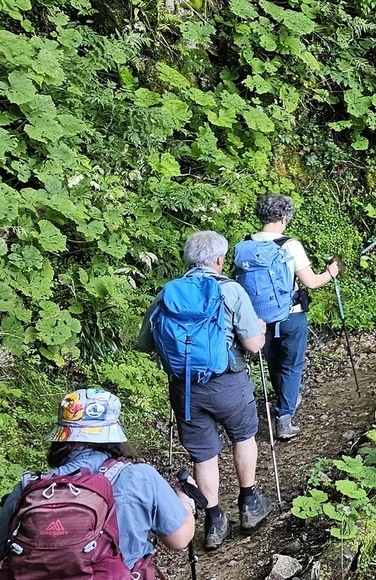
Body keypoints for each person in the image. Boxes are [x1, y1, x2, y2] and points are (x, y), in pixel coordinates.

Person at [137, 230, 268, 548]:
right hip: (228, 382)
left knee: (204, 455)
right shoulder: (231, 290)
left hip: (185, 390)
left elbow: (144, 343)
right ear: (220, 260)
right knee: (243, 435)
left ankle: (213, 520)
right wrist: (259, 330)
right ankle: (249, 503)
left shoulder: (168, 293)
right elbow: (253, 344)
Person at [0, 389, 195, 578]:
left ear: (60, 436)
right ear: (115, 434)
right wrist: (186, 502)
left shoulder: (30, 487)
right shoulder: (139, 477)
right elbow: (180, 539)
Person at [235, 194, 341, 441]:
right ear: (283, 218)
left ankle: (285, 400)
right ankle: (284, 418)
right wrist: (330, 273)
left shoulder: (245, 245)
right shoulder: (290, 245)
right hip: (290, 316)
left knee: (273, 362)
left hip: (258, 319)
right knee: (292, 365)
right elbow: (311, 282)